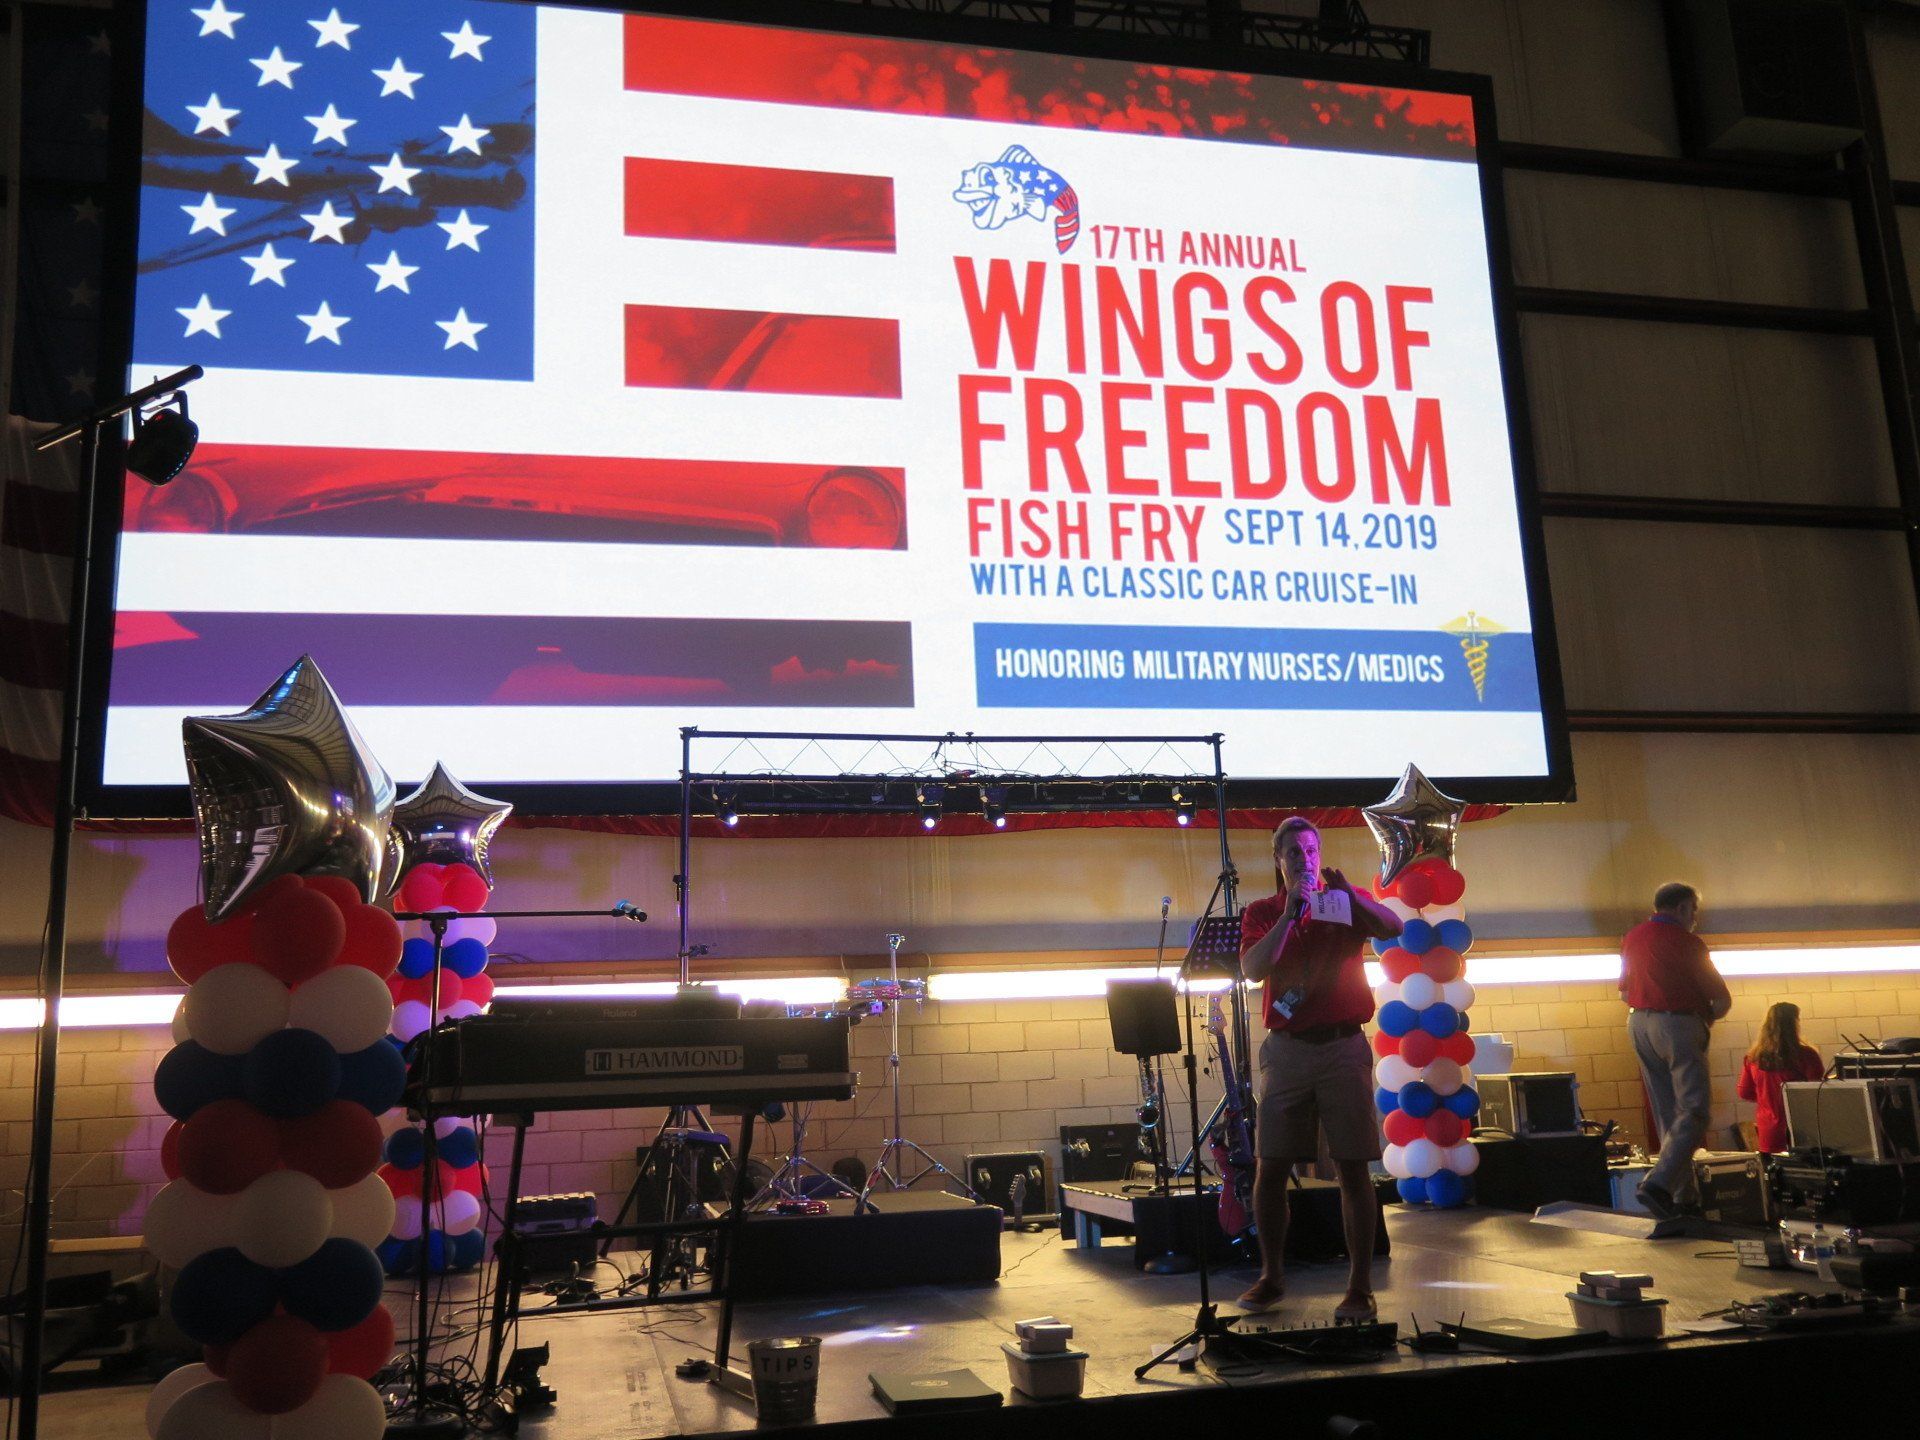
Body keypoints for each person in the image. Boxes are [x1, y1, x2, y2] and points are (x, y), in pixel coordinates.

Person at [1237, 816, 1403, 1318]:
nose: (1304, 860)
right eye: (1294, 853)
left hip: (1341, 1045)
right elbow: (1253, 969)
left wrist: (1351, 898)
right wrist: (1290, 915)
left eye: (1311, 851)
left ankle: (1360, 1287)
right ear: (1278, 861)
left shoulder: (1343, 899)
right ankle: (1271, 1276)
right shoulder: (1263, 911)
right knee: (1271, 1165)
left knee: (1352, 1165)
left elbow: (1392, 928)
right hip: (1287, 1049)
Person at [1619, 881, 1730, 1220]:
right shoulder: (1688, 942)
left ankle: (1683, 1198)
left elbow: (1624, 992)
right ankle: (1658, 1184)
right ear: (1682, 908)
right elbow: (1720, 998)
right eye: (1693, 910)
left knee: (1667, 1113)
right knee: (1695, 1111)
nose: (1695, 918)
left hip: (1638, 1023)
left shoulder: (1632, 937)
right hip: (1677, 1024)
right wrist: (1701, 1020)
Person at [1737, 1003, 1824, 1152]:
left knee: (1774, 1167)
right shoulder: (1807, 1055)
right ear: (1794, 1024)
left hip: (1769, 1131)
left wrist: (1767, 1097)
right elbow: (1817, 1091)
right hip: (1803, 1130)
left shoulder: (1753, 1058)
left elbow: (1744, 1092)